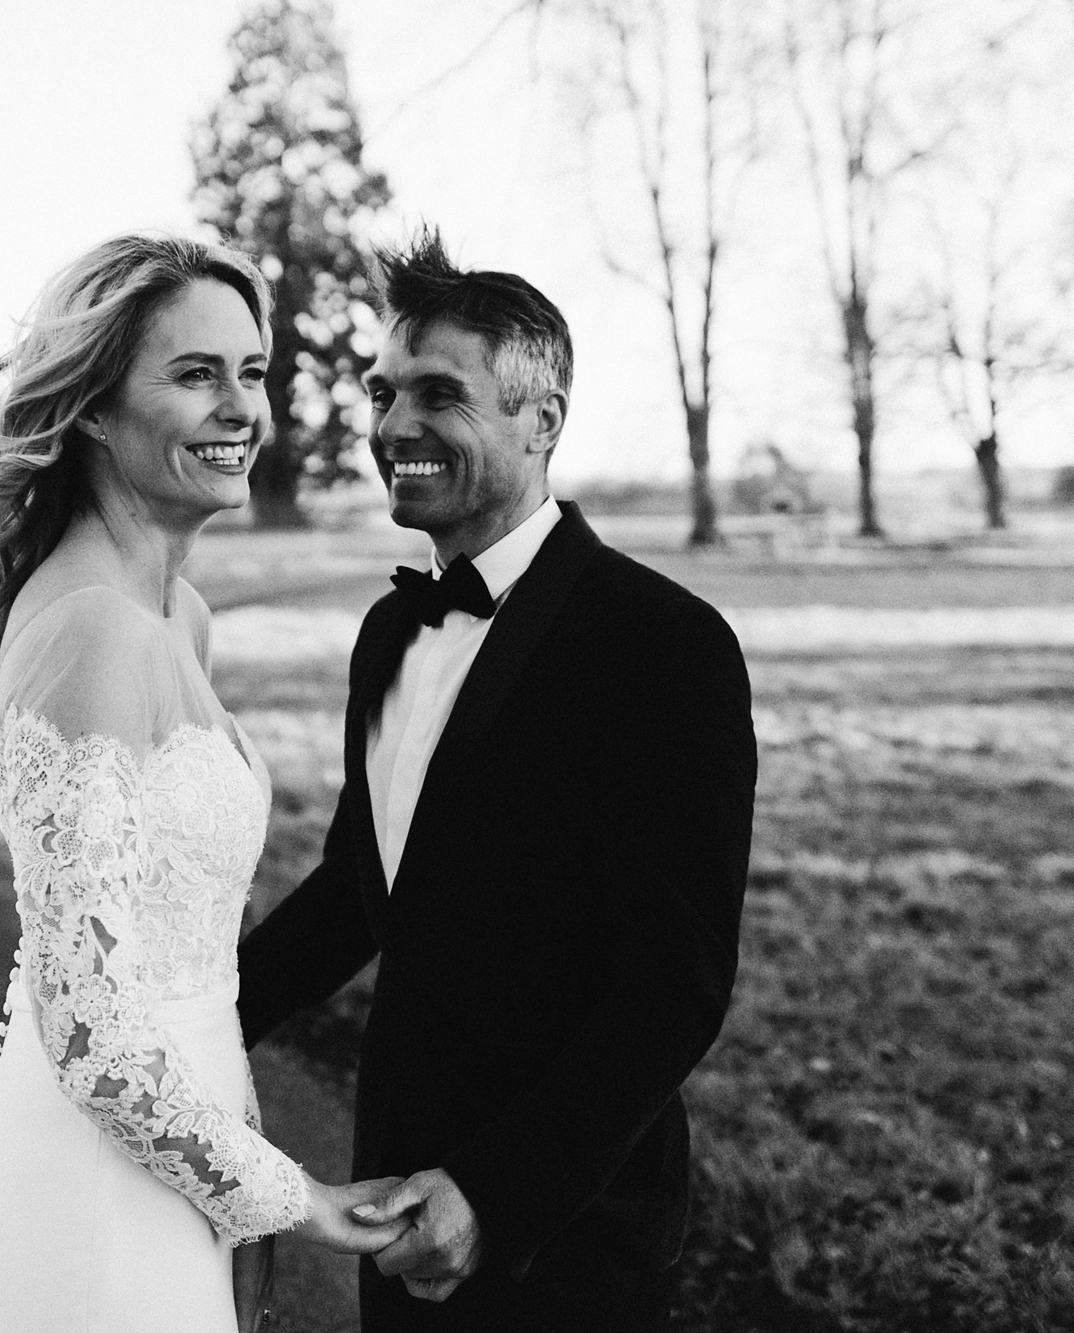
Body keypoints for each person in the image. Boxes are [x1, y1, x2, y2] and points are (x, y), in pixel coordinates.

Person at [236, 229, 759, 1331]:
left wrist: (498, 1191)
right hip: (392, 1194)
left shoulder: (663, 643)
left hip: (566, 1228)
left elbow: (677, 980)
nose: (393, 427)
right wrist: (201, 1020)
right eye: (382, 393)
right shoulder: (387, 632)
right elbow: (357, 885)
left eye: (437, 394)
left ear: (543, 420)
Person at [0, 232, 407, 1333]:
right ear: (93, 406)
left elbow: (186, 973)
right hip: (89, 1193)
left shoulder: (174, 615)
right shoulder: (93, 628)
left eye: (251, 372)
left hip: (178, 1164)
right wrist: (288, 1200)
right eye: (196, 375)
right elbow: (90, 1024)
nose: (241, 406)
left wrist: (226, 1192)